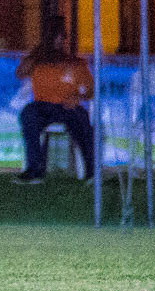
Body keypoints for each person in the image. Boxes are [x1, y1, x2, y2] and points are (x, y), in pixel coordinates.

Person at [13, 19, 94, 183]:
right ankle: (35, 170)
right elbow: (20, 73)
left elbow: (90, 90)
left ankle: (91, 171)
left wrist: (78, 97)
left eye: (62, 37)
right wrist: (36, 55)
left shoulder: (75, 62)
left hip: (67, 106)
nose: (60, 41)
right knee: (28, 114)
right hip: (43, 106)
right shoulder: (38, 60)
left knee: (82, 119)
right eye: (56, 37)